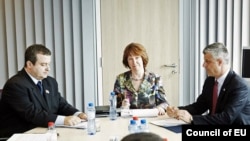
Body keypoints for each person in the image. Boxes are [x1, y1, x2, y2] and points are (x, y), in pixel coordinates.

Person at [0, 44, 87, 138]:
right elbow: (32, 114)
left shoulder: (50, 82)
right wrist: (64, 120)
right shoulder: (15, 84)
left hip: (45, 132)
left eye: (48, 64)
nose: (48, 68)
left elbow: (61, 105)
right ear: (29, 64)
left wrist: (78, 114)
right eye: (43, 65)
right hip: (22, 135)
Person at [166, 42, 250, 124]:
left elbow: (226, 118)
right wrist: (177, 110)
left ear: (220, 62)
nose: (203, 65)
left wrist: (191, 119)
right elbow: (199, 106)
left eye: (208, 61)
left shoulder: (240, 86)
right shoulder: (210, 81)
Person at [113, 42, 169, 115]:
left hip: (150, 119)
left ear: (142, 58)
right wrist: (122, 106)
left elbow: (164, 103)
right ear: (127, 61)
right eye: (130, 59)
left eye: (137, 58)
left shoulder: (155, 79)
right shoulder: (120, 79)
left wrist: (160, 108)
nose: (134, 62)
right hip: (129, 119)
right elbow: (114, 105)